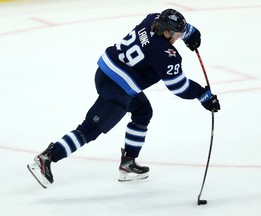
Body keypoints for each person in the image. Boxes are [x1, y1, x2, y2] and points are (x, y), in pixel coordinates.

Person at [27, 8, 220, 188]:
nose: (179, 37)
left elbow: (174, 28)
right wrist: (202, 94)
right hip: (118, 90)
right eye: (177, 35)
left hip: (105, 72)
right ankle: (47, 158)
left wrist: (190, 33)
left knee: (143, 111)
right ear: (167, 33)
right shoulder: (165, 54)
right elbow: (179, 87)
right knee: (89, 130)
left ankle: (128, 163)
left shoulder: (152, 19)